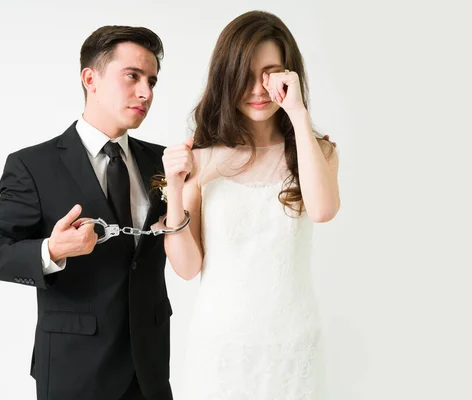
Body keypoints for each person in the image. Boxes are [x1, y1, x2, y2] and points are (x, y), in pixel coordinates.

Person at [0, 25, 173, 400]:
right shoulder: (33, 165)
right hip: (74, 370)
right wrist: (52, 250)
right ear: (90, 78)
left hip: (150, 370)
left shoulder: (164, 162)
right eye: (132, 76)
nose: (146, 92)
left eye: (152, 81)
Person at [160, 10, 340, 399]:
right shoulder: (203, 159)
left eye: (271, 73)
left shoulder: (317, 150)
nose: (258, 89)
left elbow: (323, 210)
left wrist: (298, 113)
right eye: (245, 74)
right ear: (227, 76)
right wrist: (174, 190)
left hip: (294, 347)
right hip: (222, 349)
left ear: (289, 76)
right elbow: (187, 267)